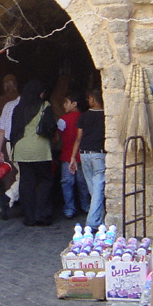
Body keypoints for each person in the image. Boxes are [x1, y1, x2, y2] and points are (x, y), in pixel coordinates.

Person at [9, 79, 55, 226]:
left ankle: (29, 217)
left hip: (22, 150)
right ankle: (42, 215)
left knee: (26, 182)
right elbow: (51, 127)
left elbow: (14, 130)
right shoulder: (45, 106)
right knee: (44, 181)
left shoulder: (18, 108)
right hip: (40, 149)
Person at [69, 87, 106, 231]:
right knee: (97, 188)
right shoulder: (107, 116)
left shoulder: (83, 117)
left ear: (92, 99)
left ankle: (94, 221)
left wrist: (73, 157)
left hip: (84, 154)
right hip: (99, 154)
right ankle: (95, 220)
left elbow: (78, 139)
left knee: (94, 189)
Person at [58, 91, 90, 219]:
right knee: (83, 183)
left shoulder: (63, 120)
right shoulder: (85, 117)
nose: (64, 105)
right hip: (82, 156)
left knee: (67, 183)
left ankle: (69, 209)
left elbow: (56, 138)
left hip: (67, 156)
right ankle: (86, 206)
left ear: (74, 103)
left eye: (66, 102)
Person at [0, 92, 21, 219]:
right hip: (23, 145)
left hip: (9, 145)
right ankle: (8, 198)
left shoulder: (8, 105)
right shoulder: (31, 105)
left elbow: (1, 130)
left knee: (21, 175)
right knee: (26, 175)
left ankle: (8, 199)